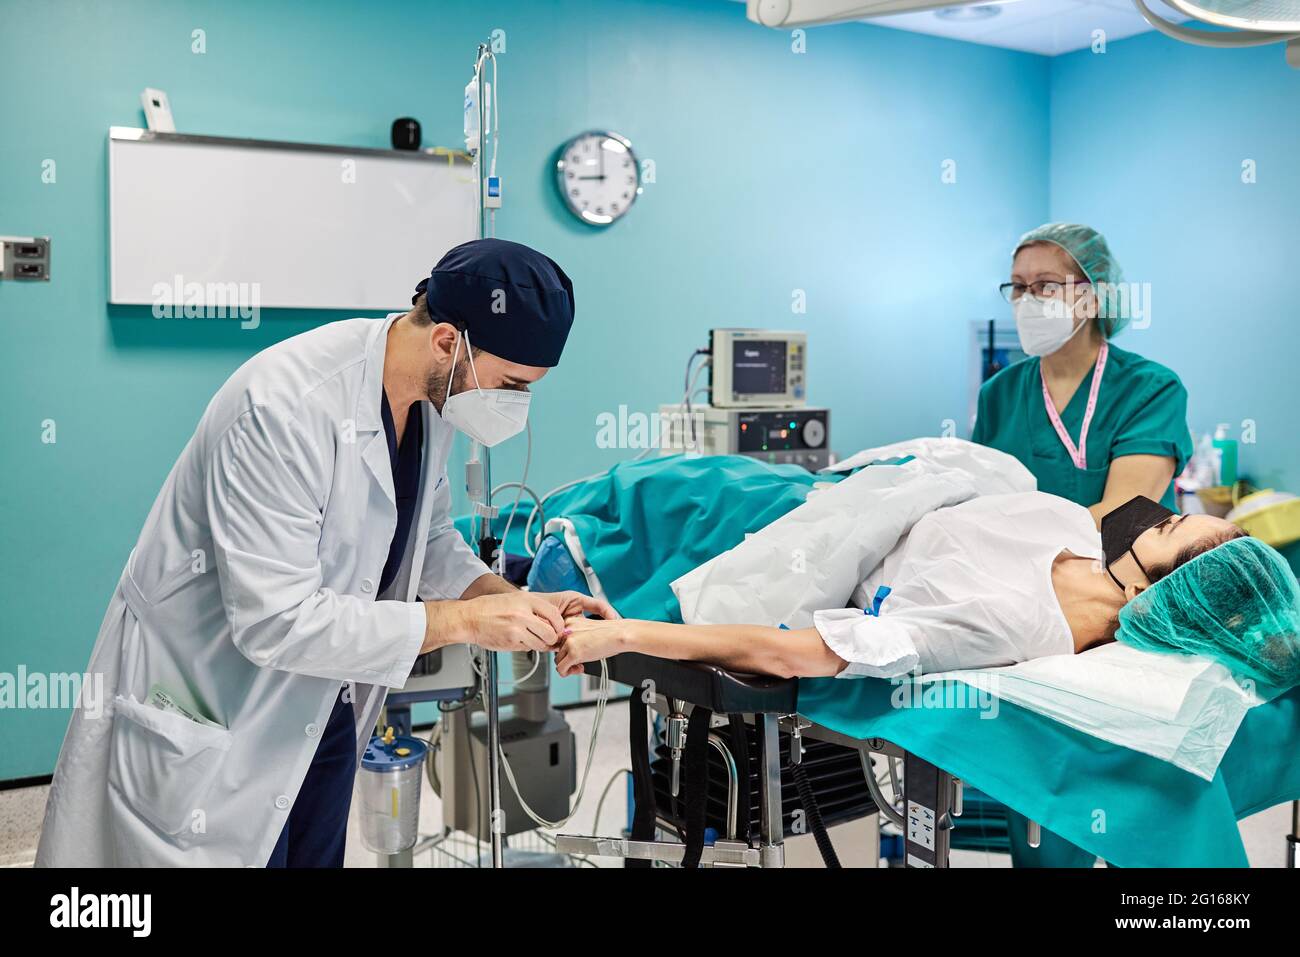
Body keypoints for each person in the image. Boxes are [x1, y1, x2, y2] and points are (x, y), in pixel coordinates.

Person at [36, 239, 617, 868]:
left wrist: (500, 598)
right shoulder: (285, 407)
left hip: (321, 699)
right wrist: (463, 622)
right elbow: (274, 620)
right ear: (448, 342)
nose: (516, 405)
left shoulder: (435, 399)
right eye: (511, 384)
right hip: (212, 697)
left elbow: (427, 535)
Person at [553, 493, 1300, 695]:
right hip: (848, 501)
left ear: (1155, 586)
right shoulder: (1075, 528)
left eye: (1164, 524)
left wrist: (627, 635)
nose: (1149, 511)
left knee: (635, 508)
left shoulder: (1007, 624)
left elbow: (788, 654)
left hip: (786, 539)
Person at [973, 224, 1193, 525]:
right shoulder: (998, 394)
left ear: (1094, 298)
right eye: (1019, 287)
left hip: (1122, 571)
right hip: (1015, 571)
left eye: (1046, 286)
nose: (1027, 300)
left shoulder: (1151, 390)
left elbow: (1122, 518)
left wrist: (1012, 539)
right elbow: (978, 504)